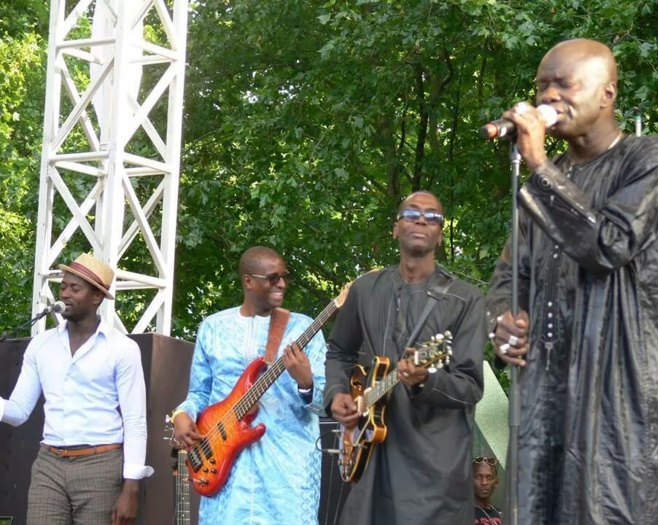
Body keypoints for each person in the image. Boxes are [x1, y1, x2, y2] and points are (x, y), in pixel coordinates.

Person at [485, 38, 658, 524]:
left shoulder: (652, 160)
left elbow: (609, 244)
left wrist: (536, 165)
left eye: (564, 83)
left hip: (622, 396)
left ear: (607, 94)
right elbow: (506, 275)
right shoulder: (542, 183)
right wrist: (501, 323)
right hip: (547, 394)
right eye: (542, 85)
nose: (549, 95)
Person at [325, 191, 487, 524]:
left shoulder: (466, 299)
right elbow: (339, 351)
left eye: (433, 216)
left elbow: (470, 386)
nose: (422, 219)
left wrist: (427, 380)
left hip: (433, 472)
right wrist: (337, 393)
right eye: (412, 213)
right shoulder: (366, 289)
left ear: (440, 236)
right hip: (370, 457)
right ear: (395, 228)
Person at [172, 246, 327, 525]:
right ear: (248, 281)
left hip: (286, 474)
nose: (281, 283)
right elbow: (199, 393)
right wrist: (182, 415)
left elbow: (325, 403)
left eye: (285, 276)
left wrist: (306, 381)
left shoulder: (304, 330)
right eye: (272, 277)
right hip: (225, 468)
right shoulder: (213, 327)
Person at [0, 252, 153, 524]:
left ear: (97, 297)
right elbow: (18, 411)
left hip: (101, 465)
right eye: (63, 286)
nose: (66, 293)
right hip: (49, 464)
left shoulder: (123, 349)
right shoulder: (41, 344)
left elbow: (135, 421)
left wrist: (132, 486)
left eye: (75, 288)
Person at [473, 456, 502, 525]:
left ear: (496, 482)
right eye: (479, 477)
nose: (484, 482)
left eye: (489, 478)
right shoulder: (461, 515)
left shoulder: (503, 515)